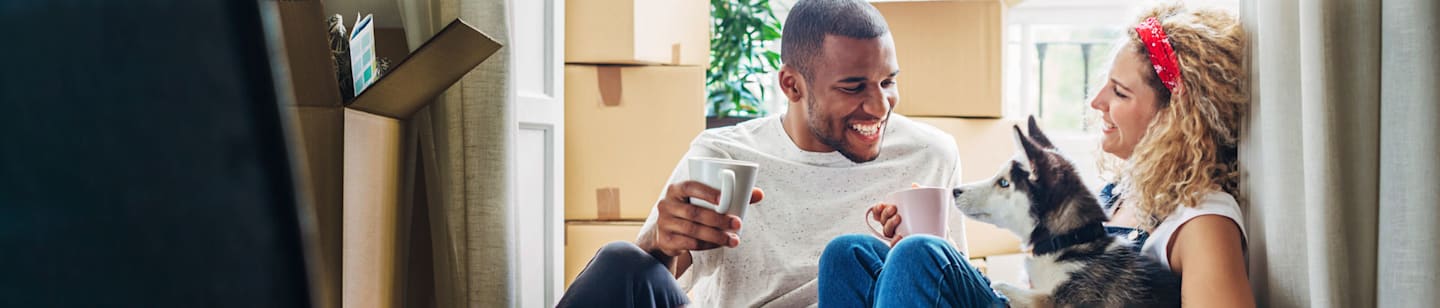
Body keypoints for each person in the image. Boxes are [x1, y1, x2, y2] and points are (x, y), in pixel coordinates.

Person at [818, 2, 1254, 307]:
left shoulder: (1203, 221)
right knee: (848, 255)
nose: (1096, 101)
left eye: (1120, 92)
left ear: (1175, 118)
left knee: (920, 255)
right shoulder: (1118, 192)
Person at [557, 0, 966, 307]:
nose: (879, 107)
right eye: (853, 87)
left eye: (888, 82)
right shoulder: (726, 154)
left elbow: (953, 285)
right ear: (791, 85)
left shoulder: (930, 154)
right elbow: (655, 281)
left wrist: (903, 267)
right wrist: (661, 242)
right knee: (620, 261)